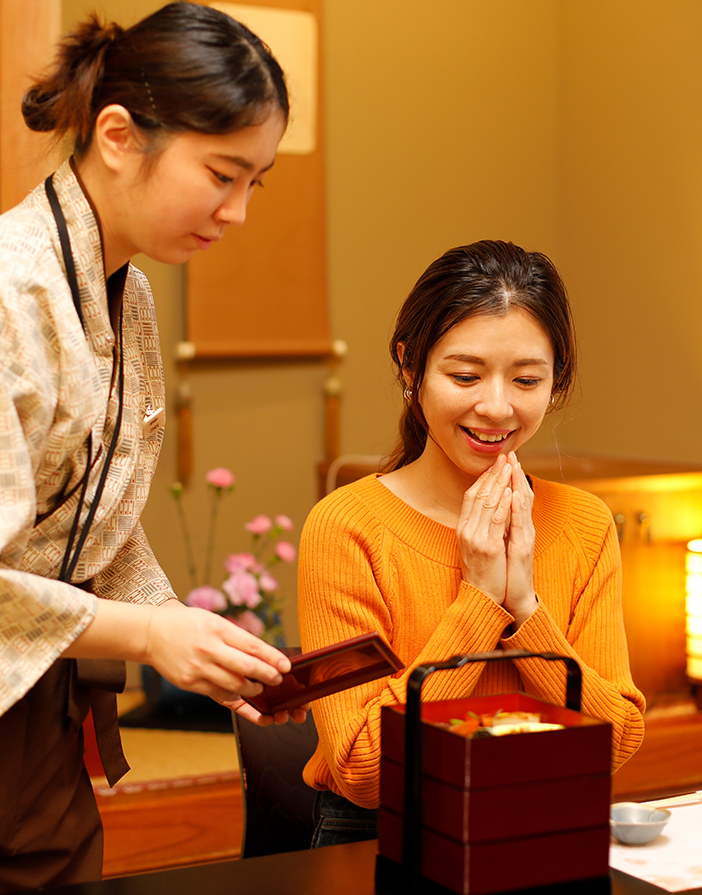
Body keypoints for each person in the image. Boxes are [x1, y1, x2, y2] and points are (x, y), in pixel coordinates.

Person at [0, 3, 304, 890]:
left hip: (39, 692)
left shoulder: (123, 284)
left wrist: (189, 634)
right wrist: (148, 633)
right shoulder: (12, 292)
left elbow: (95, 514)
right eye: (222, 173)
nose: (240, 212)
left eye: (258, 182)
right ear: (120, 135)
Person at [298, 239, 646, 847]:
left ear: (556, 382)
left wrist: (525, 609)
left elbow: (613, 739)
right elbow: (360, 767)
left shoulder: (584, 525)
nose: (496, 406)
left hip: (540, 821)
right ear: (411, 367)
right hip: (379, 836)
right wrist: (480, 600)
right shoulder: (346, 527)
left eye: (527, 379)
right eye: (465, 375)